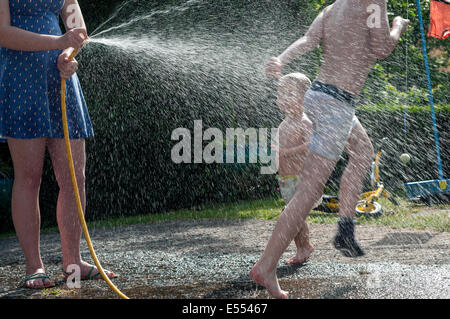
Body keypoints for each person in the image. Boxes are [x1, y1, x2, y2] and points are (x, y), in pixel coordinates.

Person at [250, 0, 410, 298]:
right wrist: (399, 24)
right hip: (336, 105)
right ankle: (266, 265)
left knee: (362, 151)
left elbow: (309, 40)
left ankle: (346, 229)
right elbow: (382, 49)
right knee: (308, 191)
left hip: (326, 97)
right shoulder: (374, 1)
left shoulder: (333, 7)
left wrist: (282, 59)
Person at [0, 0, 116, 289]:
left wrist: (68, 53)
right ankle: (34, 266)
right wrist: (59, 41)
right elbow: (3, 32)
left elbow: (77, 27)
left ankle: (73, 261)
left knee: (75, 177)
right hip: (20, 75)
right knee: (29, 178)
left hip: (61, 75)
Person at [274, 73, 316, 265]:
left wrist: (286, 152)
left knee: (292, 216)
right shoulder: (285, 123)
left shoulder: (304, 122)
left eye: (289, 94)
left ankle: (304, 247)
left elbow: (310, 145)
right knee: (294, 217)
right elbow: (280, 151)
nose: (282, 99)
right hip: (287, 179)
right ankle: (303, 246)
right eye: (280, 94)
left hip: (301, 179)